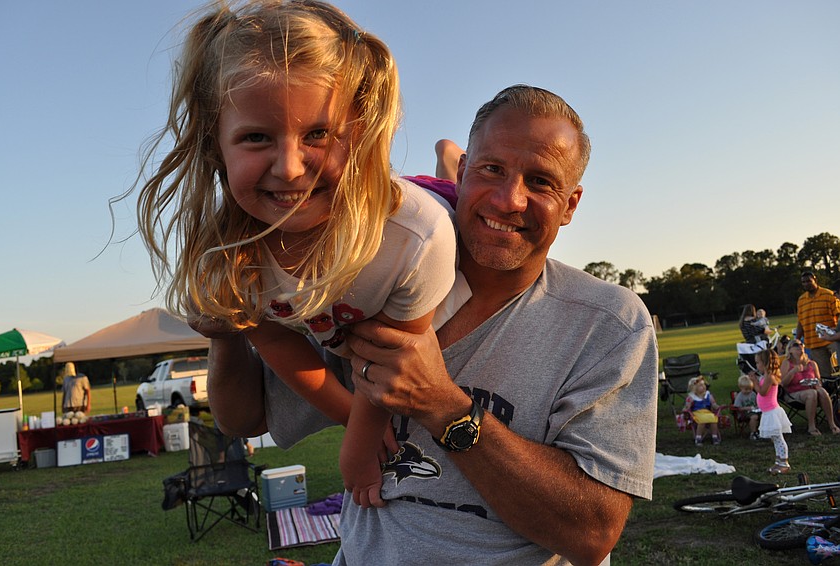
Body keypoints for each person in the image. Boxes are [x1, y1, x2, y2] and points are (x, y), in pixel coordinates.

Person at [202, 85, 659, 565]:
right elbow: (242, 419)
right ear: (462, 172)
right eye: (491, 169)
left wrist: (445, 407)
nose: (509, 199)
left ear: (570, 205)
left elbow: (591, 535)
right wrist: (227, 329)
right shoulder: (373, 279)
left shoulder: (608, 323)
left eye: (541, 182)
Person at [135, 0, 460, 508]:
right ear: (214, 145)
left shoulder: (414, 236)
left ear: (362, 130)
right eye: (257, 137)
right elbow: (280, 347)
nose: (287, 168)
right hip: (342, 266)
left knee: (455, 203)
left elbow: (397, 354)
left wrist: (359, 441)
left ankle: (450, 166)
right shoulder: (233, 255)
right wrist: (353, 419)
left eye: (318, 134)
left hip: (427, 210)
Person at [780, 339, 840, 436]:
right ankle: (811, 427)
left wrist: (817, 384)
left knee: (822, 391)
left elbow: (819, 380)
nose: (800, 346)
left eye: (801, 344)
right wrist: (793, 372)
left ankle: (832, 424)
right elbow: (783, 383)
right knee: (812, 393)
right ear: (790, 350)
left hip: (812, 391)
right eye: (796, 345)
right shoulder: (787, 363)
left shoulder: (812, 363)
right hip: (793, 394)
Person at [749, 348, 793, 474]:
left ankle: (784, 463)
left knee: (779, 438)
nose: (756, 365)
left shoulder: (769, 377)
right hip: (768, 412)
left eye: (758, 363)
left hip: (772, 412)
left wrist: (755, 382)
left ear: (766, 363)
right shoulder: (766, 376)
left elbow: (762, 392)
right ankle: (778, 462)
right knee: (775, 438)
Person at [796, 271, 840, 378]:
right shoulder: (801, 300)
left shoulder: (829, 295)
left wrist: (833, 334)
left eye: (809, 281)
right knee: (824, 375)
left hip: (832, 339)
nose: (806, 284)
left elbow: (838, 316)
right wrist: (797, 339)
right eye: (803, 282)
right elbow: (801, 322)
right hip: (814, 342)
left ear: (815, 280)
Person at [683, 375, 721, 445]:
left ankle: (714, 436)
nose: (703, 386)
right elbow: (687, 406)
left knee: (714, 419)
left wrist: (717, 406)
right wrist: (686, 408)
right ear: (694, 388)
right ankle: (698, 437)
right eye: (700, 385)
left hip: (707, 412)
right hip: (696, 413)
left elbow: (713, 403)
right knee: (702, 421)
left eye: (704, 384)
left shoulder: (708, 395)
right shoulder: (692, 397)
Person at [733, 374, 760, 440]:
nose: (748, 391)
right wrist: (748, 408)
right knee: (754, 417)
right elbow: (738, 408)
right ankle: (753, 433)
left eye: (750, 389)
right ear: (740, 388)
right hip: (743, 413)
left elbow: (757, 403)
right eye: (746, 389)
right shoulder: (740, 396)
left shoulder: (753, 394)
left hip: (754, 411)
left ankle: (763, 431)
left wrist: (757, 407)